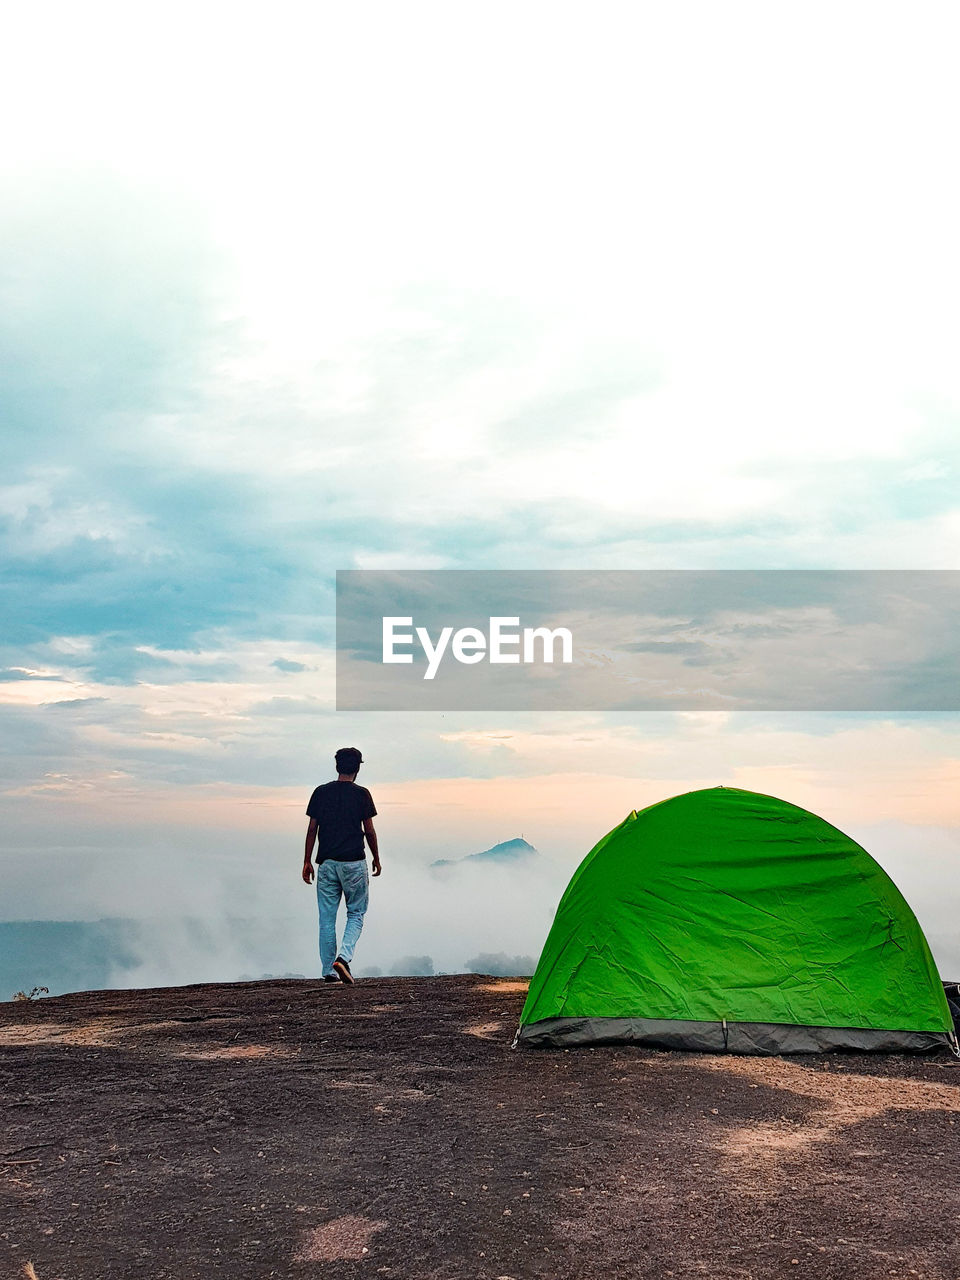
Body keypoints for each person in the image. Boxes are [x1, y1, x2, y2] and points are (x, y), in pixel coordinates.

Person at [302, 746, 381, 984]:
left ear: (337, 766)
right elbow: (368, 830)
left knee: (326, 918)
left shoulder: (320, 792)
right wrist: (376, 857)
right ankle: (343, 959)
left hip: (326, 862)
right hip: (354, 863)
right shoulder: (362, 794)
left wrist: (307, 860)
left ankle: (328, 971)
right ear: (357, 769)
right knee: (356, 913)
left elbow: (312, 829)